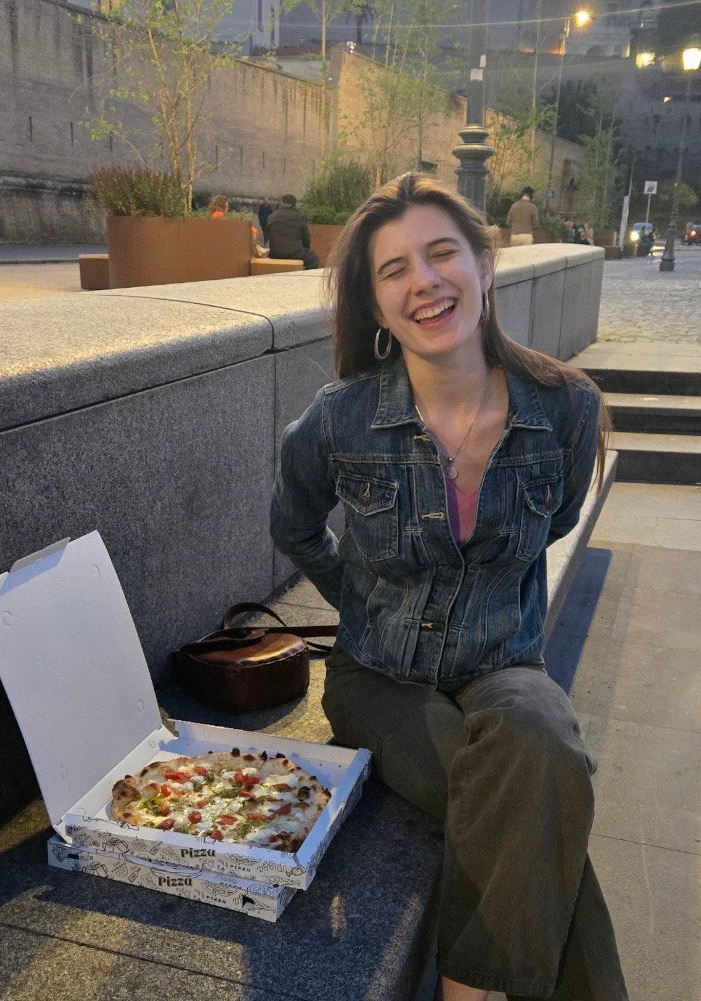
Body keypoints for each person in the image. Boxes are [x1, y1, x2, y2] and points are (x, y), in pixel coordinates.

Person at [270, 173, 628, 1001]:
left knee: (541, 737)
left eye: (440, 255)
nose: (422, 282)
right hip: (379, 679)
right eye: (393, 270)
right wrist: (358, 596)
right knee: (534, 793)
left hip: (504, 664)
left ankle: (464, 990)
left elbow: (559, 517)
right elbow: (292, 528)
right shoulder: (338, 420)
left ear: (484, 267)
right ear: (375, 305)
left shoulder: (565, 409)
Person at [266, 194, 320, 269]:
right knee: (314, 259)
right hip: (294, 253)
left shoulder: (271, 217)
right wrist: (305, 249)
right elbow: (306, 238)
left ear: (282, 202)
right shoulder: (299, 216)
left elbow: (268, 235)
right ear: (294, 204)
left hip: (275, 253)